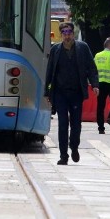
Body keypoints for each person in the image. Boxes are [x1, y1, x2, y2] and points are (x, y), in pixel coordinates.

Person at [44, 22, 99, 165]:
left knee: (76, 124)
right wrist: (46, 92)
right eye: (64, 33)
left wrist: (95, 85)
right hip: (60, 94)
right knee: (62, 124)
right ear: (61, 34)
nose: (67, 35)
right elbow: (49, 71)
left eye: (69, 32)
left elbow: (91, 68)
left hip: (76, 93)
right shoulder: (55, 49)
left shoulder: (83, 48)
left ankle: (74, 146)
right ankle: (63, 156)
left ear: (73, 33)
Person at [94, 37, 110, 135]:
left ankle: (101, 128)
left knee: (100, 106)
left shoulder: (97, 55)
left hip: (100, 83)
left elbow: (93, 69)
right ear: (109, 45)